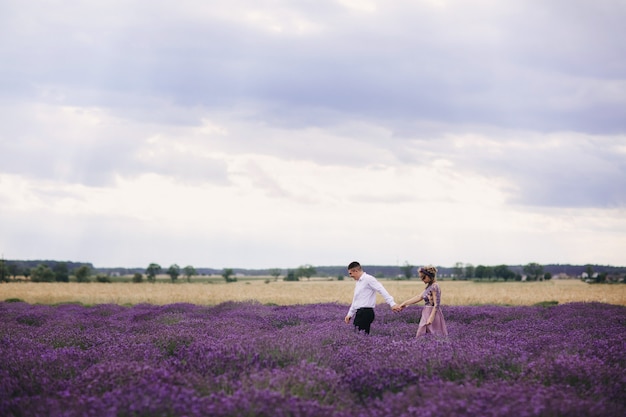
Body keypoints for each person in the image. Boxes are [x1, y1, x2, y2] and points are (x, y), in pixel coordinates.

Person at [344, 261, 401, 334]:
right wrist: (350, 314)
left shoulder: (369, 279)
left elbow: (381, 289)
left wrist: (392, 304)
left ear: (356, 271)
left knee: (359, 336)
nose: (350, 276)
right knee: (359, 335)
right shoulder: (358, 283)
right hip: (360, 313)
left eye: (350, 273)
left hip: (366, 312)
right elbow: (356, 300)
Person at [397, 265, 448, 337]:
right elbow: (419, 297)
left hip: (433, 313)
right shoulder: (429, 286)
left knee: (434, 335)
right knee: (421, 334)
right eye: (421, 277)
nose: (422, 279)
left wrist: (431, 317)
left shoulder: (435, 286)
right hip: (426, 312)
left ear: (429, 276)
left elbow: (436, 304)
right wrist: (404, 303)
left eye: (423, 277)